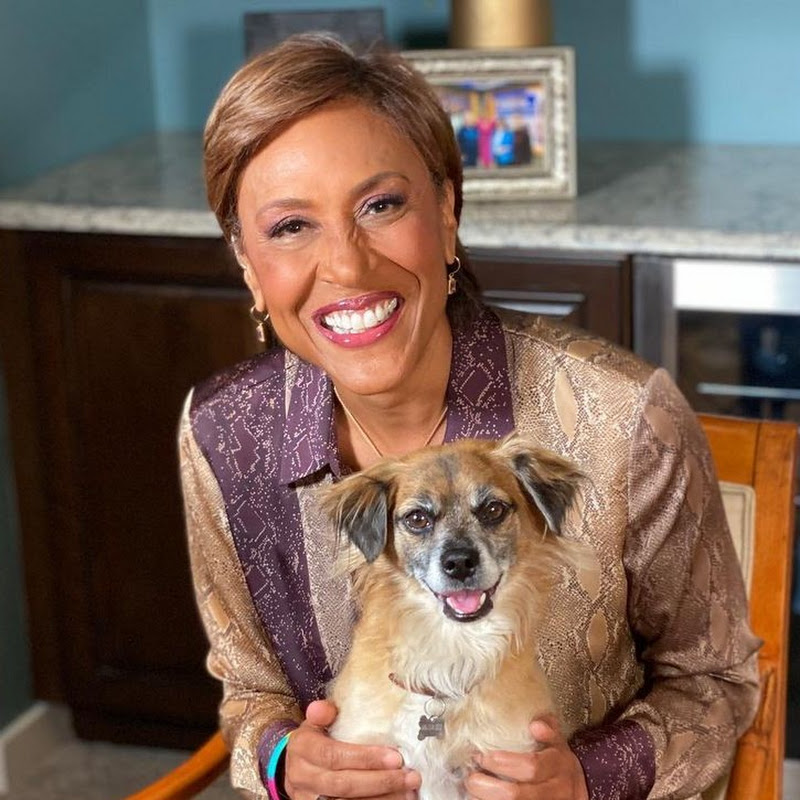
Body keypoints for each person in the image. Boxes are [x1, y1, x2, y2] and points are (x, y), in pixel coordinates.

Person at [181, 32, 760, 800]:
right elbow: (250, 689)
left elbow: (716, 681)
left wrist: (585, 778)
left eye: (381, 205)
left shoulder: (624, 419)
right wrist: (284, 758)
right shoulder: (223, 434)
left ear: (447, 212)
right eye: (291, 226)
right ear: (248, 264)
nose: (347, 265)